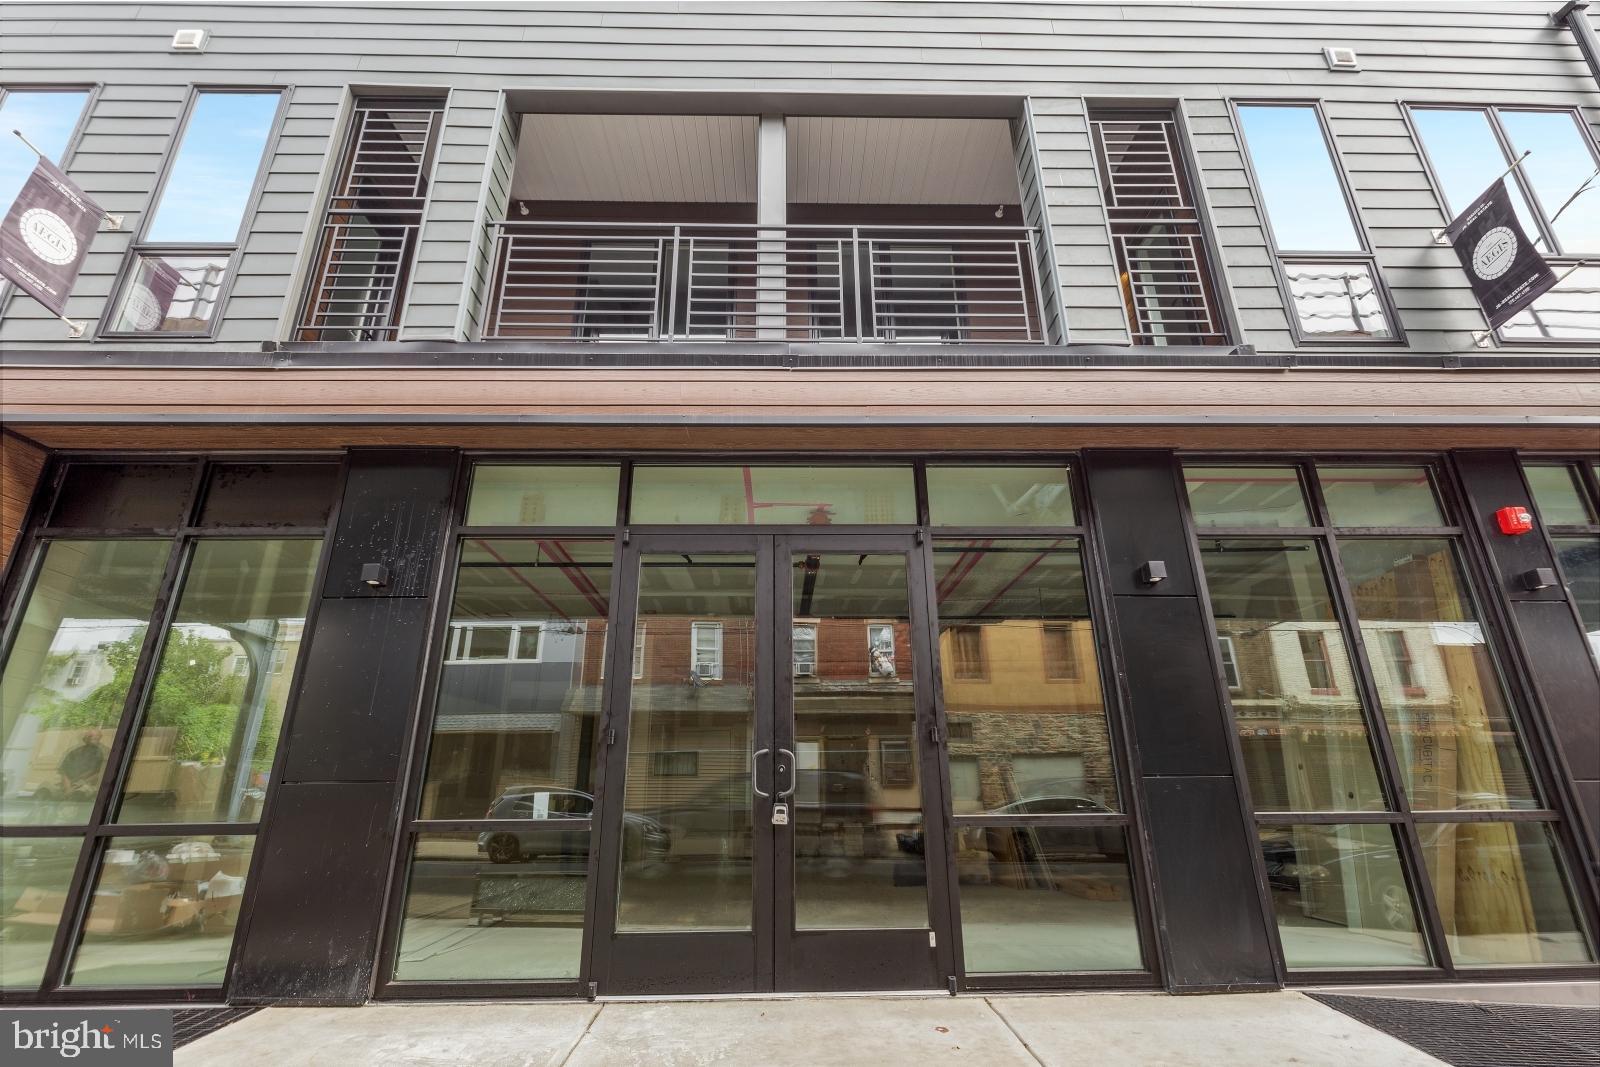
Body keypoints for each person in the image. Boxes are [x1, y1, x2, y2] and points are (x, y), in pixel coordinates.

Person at [57, 728, 107, 798]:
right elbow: (64, 772)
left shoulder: (104, 752)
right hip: (68, 786)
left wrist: (80, 784)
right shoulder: (74, 752)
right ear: (85, 738)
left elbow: (100, 774)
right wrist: (68, 788)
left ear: (99, 737)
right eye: (89, 736)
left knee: (79, 794)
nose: (92, 738)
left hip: (87, 786)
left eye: (95, 736)